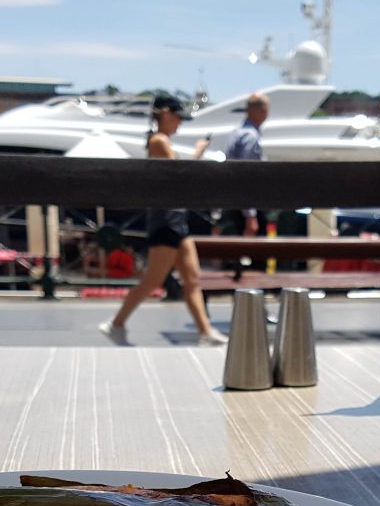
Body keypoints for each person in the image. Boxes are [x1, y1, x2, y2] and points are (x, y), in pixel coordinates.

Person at [99, 95, 227, 346]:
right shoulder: (159, 141)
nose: (180, 123)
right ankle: (115, 323)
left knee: (192, 279)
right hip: (166, 221)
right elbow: (180, 178)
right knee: (153, 280)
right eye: (178, 117)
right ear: (166, 114)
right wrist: (199, 153)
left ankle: (206, 332)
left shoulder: (161, 141)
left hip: (176, 222)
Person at [223, 92, 269, 237]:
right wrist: (250, 214)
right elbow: (246, 174)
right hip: (247, 207)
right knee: (258, 255)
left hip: (234, 204)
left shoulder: (236, 133)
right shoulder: (251, 136)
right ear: (262, 111)